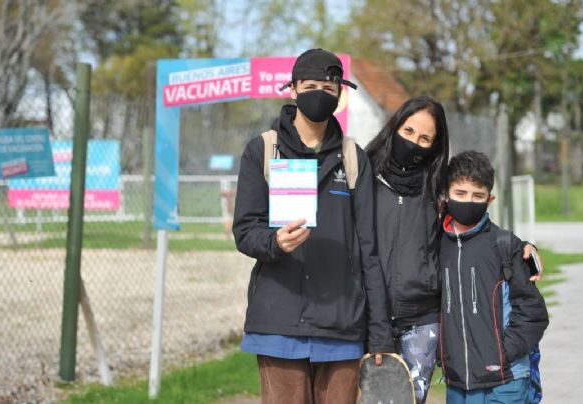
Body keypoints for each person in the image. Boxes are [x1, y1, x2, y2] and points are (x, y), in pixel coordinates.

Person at [232, 48, 394, 404]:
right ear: (292, 89)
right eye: (310, 84)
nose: (320, 92)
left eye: (328, 86)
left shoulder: (354, 158)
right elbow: (244, 230)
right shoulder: (263, 150)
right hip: (279, 322)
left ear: (340, 94)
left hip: (342, 325)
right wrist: (274, 242)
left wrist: (380, 332)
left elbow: (370, 250)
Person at [364, 96, 543, 403]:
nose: (414, 142)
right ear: (394, 126)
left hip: (421, 319)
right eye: (408, 131)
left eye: (425, 138)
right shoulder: (365, 175)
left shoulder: (435, 184)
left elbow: (472, 231)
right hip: (368, 314)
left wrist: (522, 248)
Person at [439, 150, 549, 403]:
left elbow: (534, 313)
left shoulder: (506, 246)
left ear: (490, 199)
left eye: (477, 196)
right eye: (460, 193)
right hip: (457, 382)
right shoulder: (436, 245)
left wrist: (501, 352)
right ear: (446, 195)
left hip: (505, 381)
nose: (468, 201)